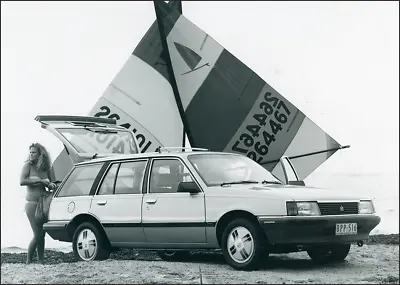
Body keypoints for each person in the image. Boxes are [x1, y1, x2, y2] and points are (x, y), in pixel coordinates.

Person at [19, 143, 57, 264]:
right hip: (32, 203)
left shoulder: (48, 167)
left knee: (42, 233)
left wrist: (50, 184)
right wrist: (40, 181)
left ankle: (41, 261)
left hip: (44, 203)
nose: (31, 154)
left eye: (34, 152)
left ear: (41, 154)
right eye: (30, 152)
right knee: (38, 233)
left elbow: (53, 183)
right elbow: (22, 181)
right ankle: (29, 261)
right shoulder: (27, 166)